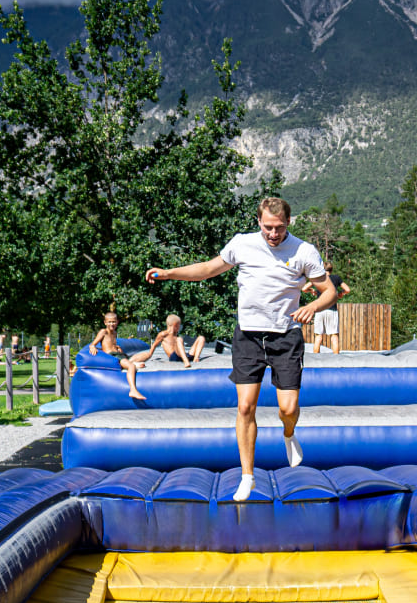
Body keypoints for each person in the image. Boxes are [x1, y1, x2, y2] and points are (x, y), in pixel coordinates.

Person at [146, 196, 337, 501]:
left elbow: (330, 291)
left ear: (288, 222)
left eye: (279, 227)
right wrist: (170, 273)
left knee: (287, 408)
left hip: (285, 336)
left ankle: (288, 434)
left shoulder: (304, 251)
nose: (273, 234)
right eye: (268, 227)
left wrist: (313, 305)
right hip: (248, 336)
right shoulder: (242, 244)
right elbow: (208, 269)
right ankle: (247, 475)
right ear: (258, 222)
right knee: (245, 406)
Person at [88, 311, 146, 400]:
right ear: (105, 322)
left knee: (136, 359)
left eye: (114, 322)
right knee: (131, 366)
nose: (112, 324)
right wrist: (92, 347)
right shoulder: (104, 331)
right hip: (112, 355)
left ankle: (133, 363)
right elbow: (93, 344)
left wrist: (116, 347)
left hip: (117, 354)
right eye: (109, 322)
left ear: (117, 322)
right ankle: (133, 390)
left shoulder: (114, 333)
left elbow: (110, 344)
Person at [304, 262, 352, 353]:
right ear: (331, 270)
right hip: (331, 310)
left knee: (318, 337)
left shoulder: (318, 278)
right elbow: (347, 289)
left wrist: (311, 290)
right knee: (334, 336)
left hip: (319, 310)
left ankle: (316, 360)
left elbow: (304, 288)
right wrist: (341, 293)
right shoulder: (336, 278)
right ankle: (336, 361)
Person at [132, 314, 206, 367]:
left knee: (201, 338)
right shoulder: (163, 334)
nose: (179, 328)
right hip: (174, 356)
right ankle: (186, 361)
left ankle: (196, 358)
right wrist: (146, 356)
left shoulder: (175, 334)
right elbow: (153, 348)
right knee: (179, 339)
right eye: (178, 326)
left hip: (183, 355)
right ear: (175, 325)